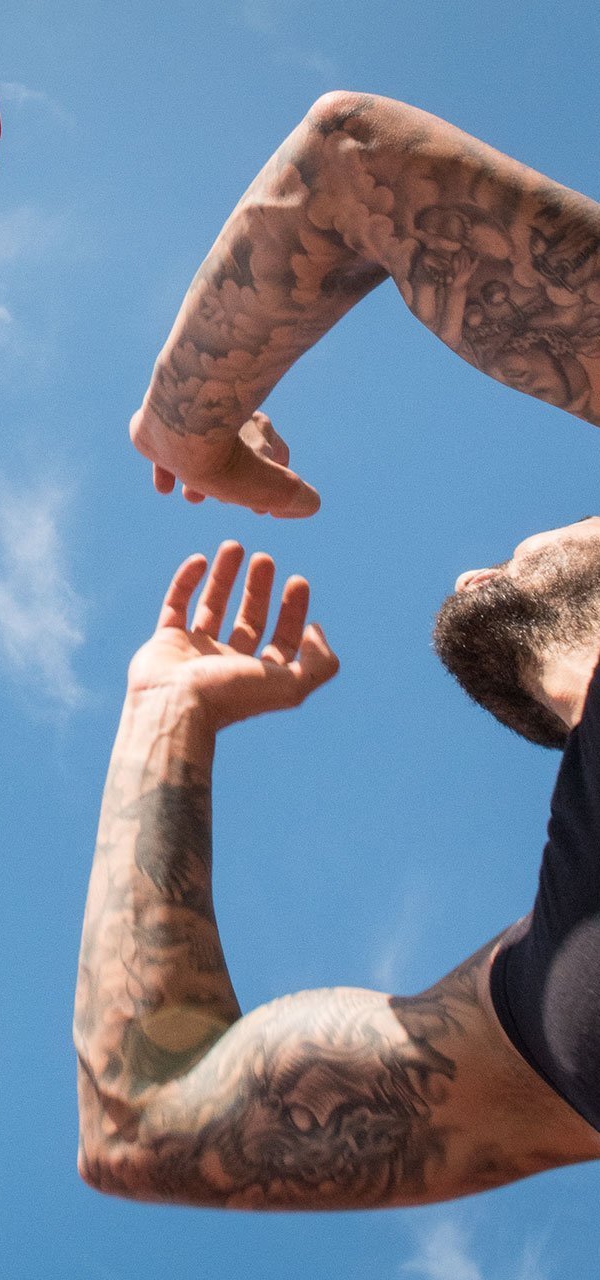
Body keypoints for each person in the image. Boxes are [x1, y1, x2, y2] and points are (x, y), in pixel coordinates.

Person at [74, 91, 600, 1208]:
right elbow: (146, 1118)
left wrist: (183, 422)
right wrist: (168, 710)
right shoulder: (562, 998)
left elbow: (358, 167)